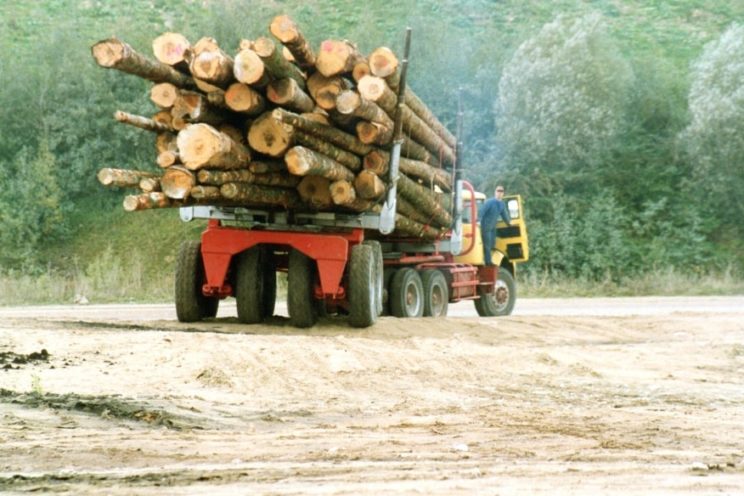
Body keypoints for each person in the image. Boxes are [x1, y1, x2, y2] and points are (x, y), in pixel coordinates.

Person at [479, 185, 511, 266]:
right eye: (498, 191)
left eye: (501, 192)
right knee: (487, 244)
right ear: (495, 192)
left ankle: (488, 259)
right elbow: (481, 211)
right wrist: (478, 221)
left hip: (493, 227)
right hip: (485, 226)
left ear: (503, 194)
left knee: (493, 244)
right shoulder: (489, 202)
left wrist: (509, 223)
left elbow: (504, 215)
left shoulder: (502, 204)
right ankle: (487, 262)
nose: (499, 193)